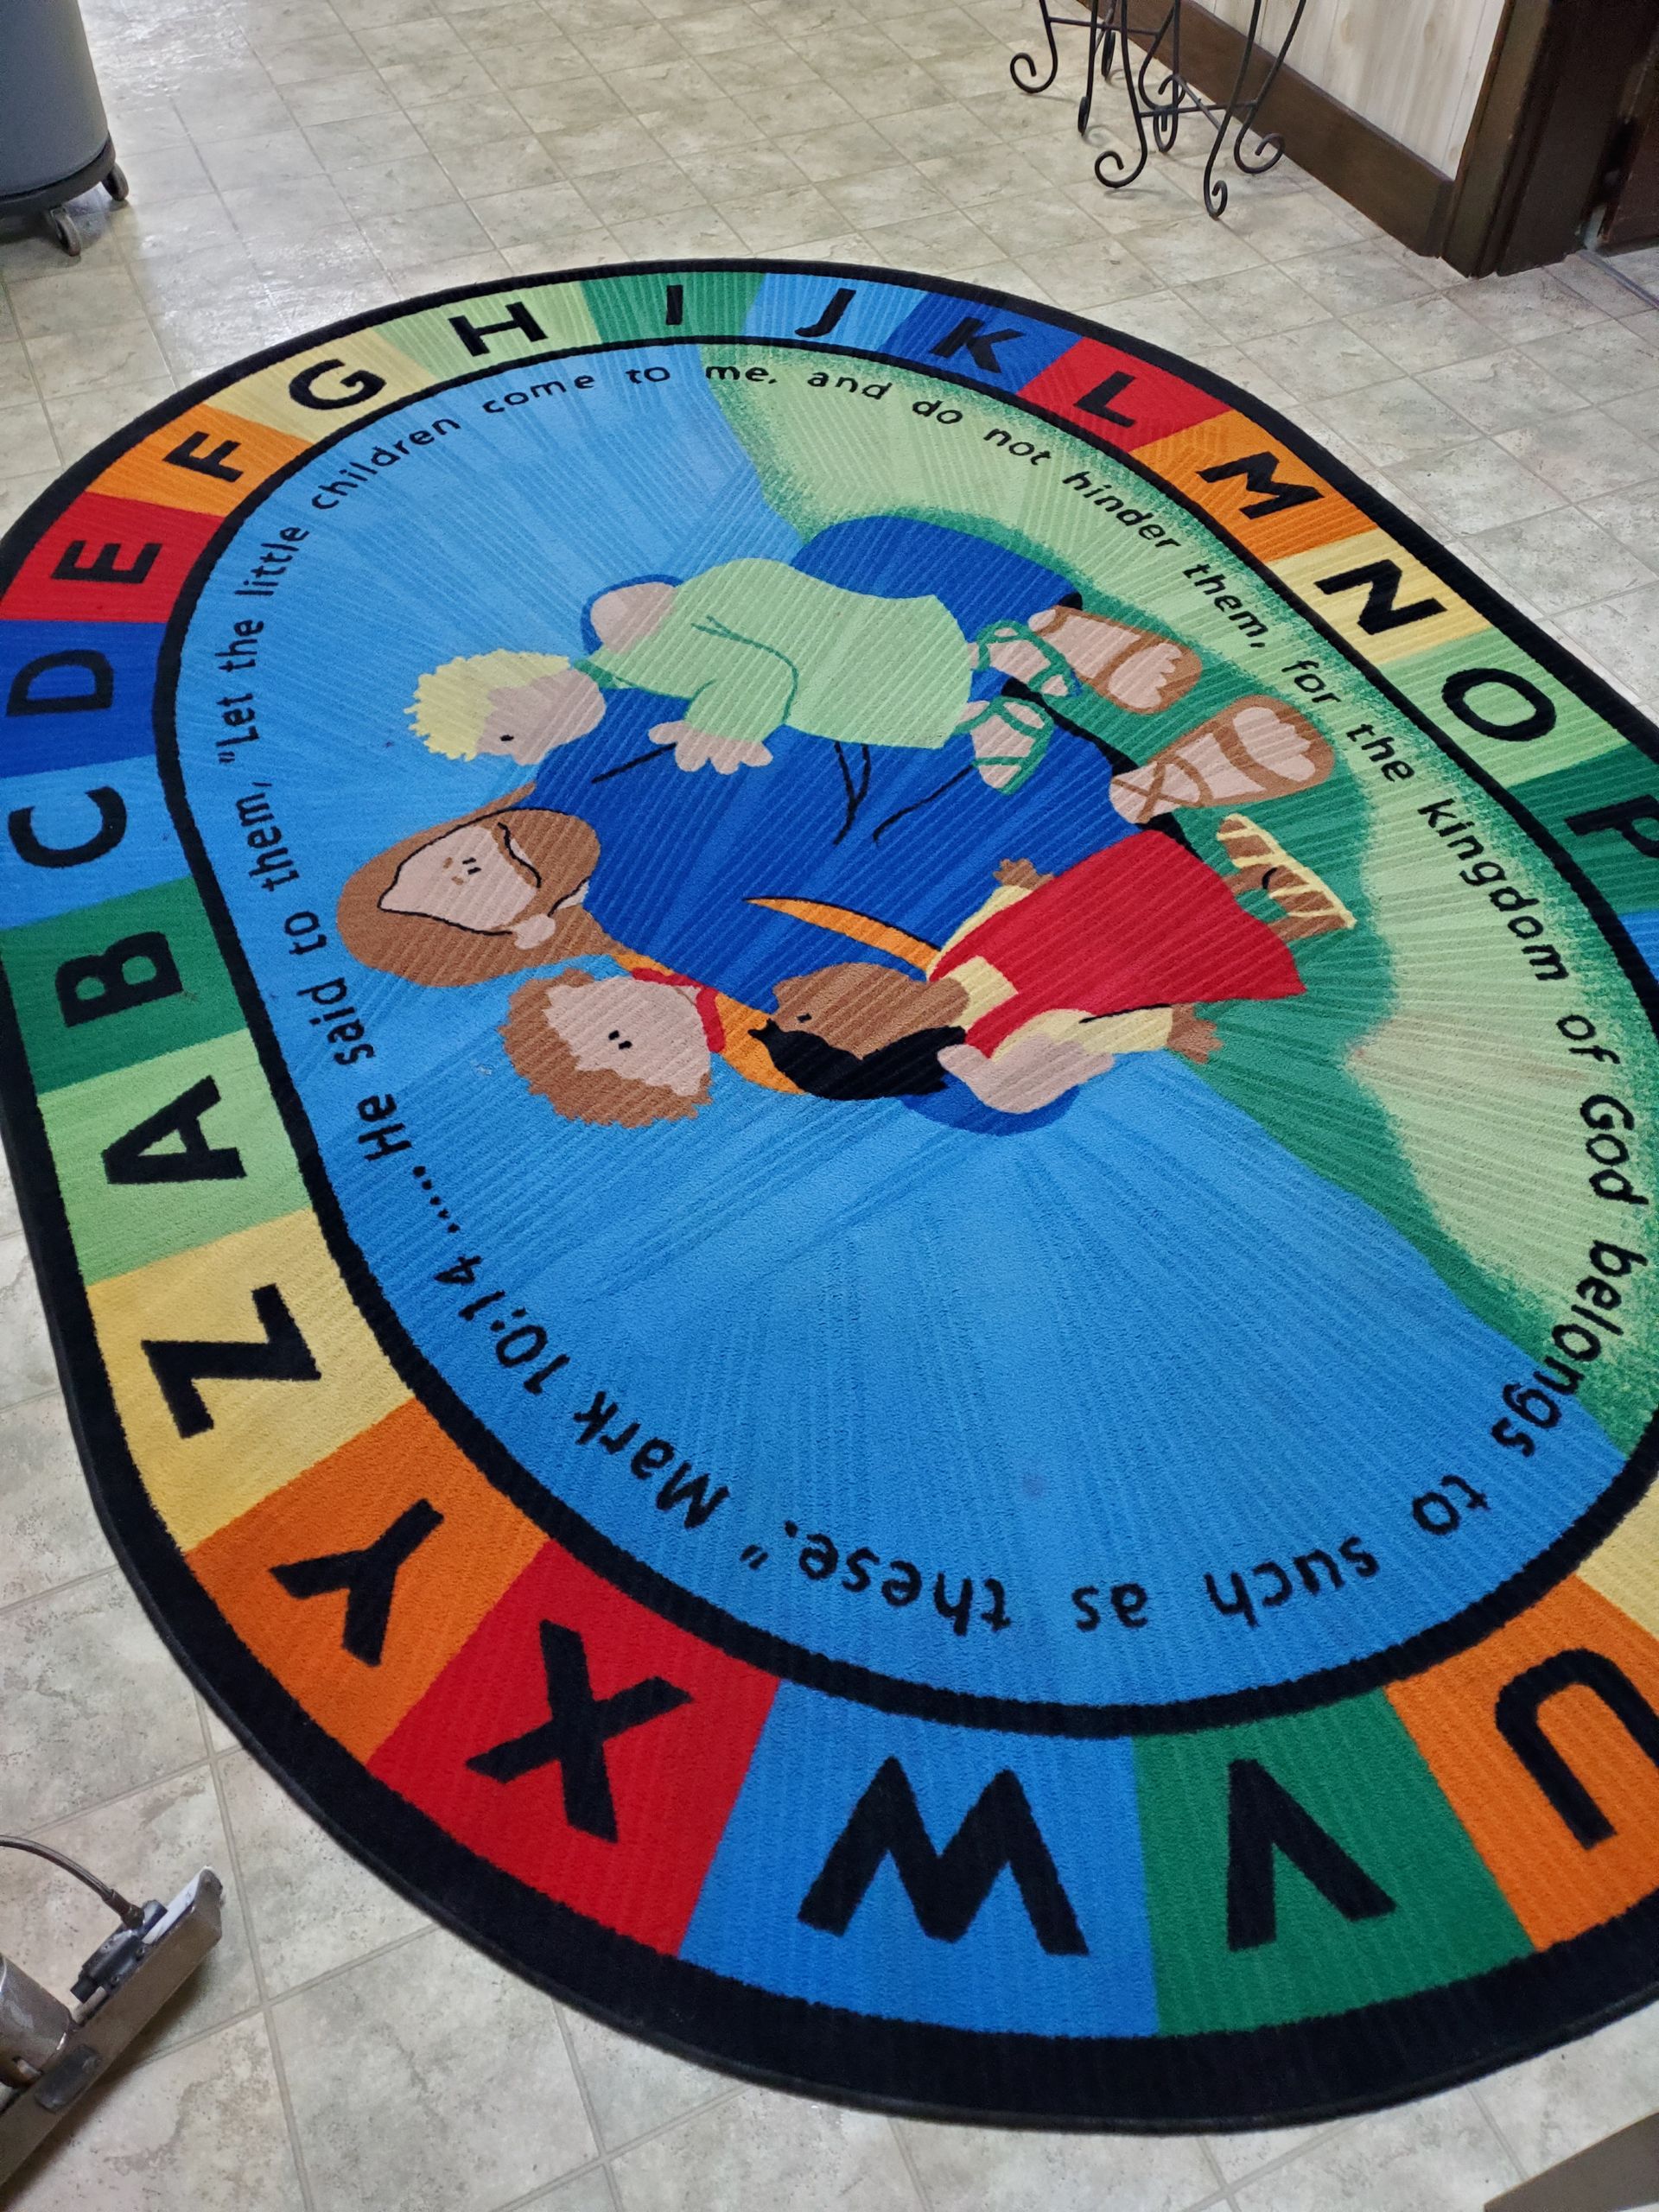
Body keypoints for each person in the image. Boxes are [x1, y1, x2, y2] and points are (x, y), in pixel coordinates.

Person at [405, 562, 1207, 794]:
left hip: (801, 625)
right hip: (808, 639)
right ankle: (985, 695)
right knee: (823, 710)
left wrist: (726, 725)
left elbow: (748, 667)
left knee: (822, 699)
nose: (521, 752)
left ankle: (993, 661)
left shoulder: (630, 654)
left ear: (519, 680)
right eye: (506, 753)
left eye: (506, 732)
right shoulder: (625, 678)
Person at [753, 814, 1357, 1116]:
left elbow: (983, 932)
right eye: (802, 1011)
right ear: (866, 1038)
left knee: (1163, 891)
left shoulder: (946, 971)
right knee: (1201, 942)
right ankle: (1305, 919)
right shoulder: (997, 1039)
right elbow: (1086, 1032)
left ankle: (1252, 874)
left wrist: (1015, 892)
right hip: (1129, 966)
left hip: (1087, 914)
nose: (788, 984)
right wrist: (1168, 1029)